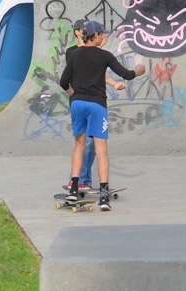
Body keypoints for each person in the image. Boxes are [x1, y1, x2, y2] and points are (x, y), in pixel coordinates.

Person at [60, 21, 145, 210]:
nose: (103, 37)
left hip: (78, 104)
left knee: (79, 145)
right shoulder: (105, 56)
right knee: (101, 150)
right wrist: (138, 71)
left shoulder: (74, 55)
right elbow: (127, 74)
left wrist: (72, 93)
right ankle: (104, 196)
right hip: (96, 104)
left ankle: (73, 189)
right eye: (101, 34)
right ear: (96, 35)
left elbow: (63, 81)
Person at [64, 21, 124, 191]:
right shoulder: (72, 52)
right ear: (78, 33)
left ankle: (84, 180)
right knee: (87, 143)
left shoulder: (95, 53)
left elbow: (99, 71)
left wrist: (114, 84)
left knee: (89, 144)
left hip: (87, 100)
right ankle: (78, 180)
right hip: (82, 100)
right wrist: (72, 92)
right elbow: (86, 65)